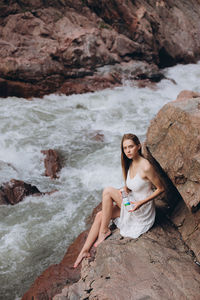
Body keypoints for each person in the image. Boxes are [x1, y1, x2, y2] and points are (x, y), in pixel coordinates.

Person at [73, 133, 164, 268]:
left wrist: (141, 203)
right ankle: (84, 251)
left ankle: (104, 231)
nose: (128, 150)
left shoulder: (146, 166)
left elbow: (160, 189)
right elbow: (132, 185)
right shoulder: (130, 163)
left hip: (141, 210)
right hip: (132, 203)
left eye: (131, 147)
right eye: (125, 148)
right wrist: (125, 190)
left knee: (108, 191)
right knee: (100, 215)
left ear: (138, 146)